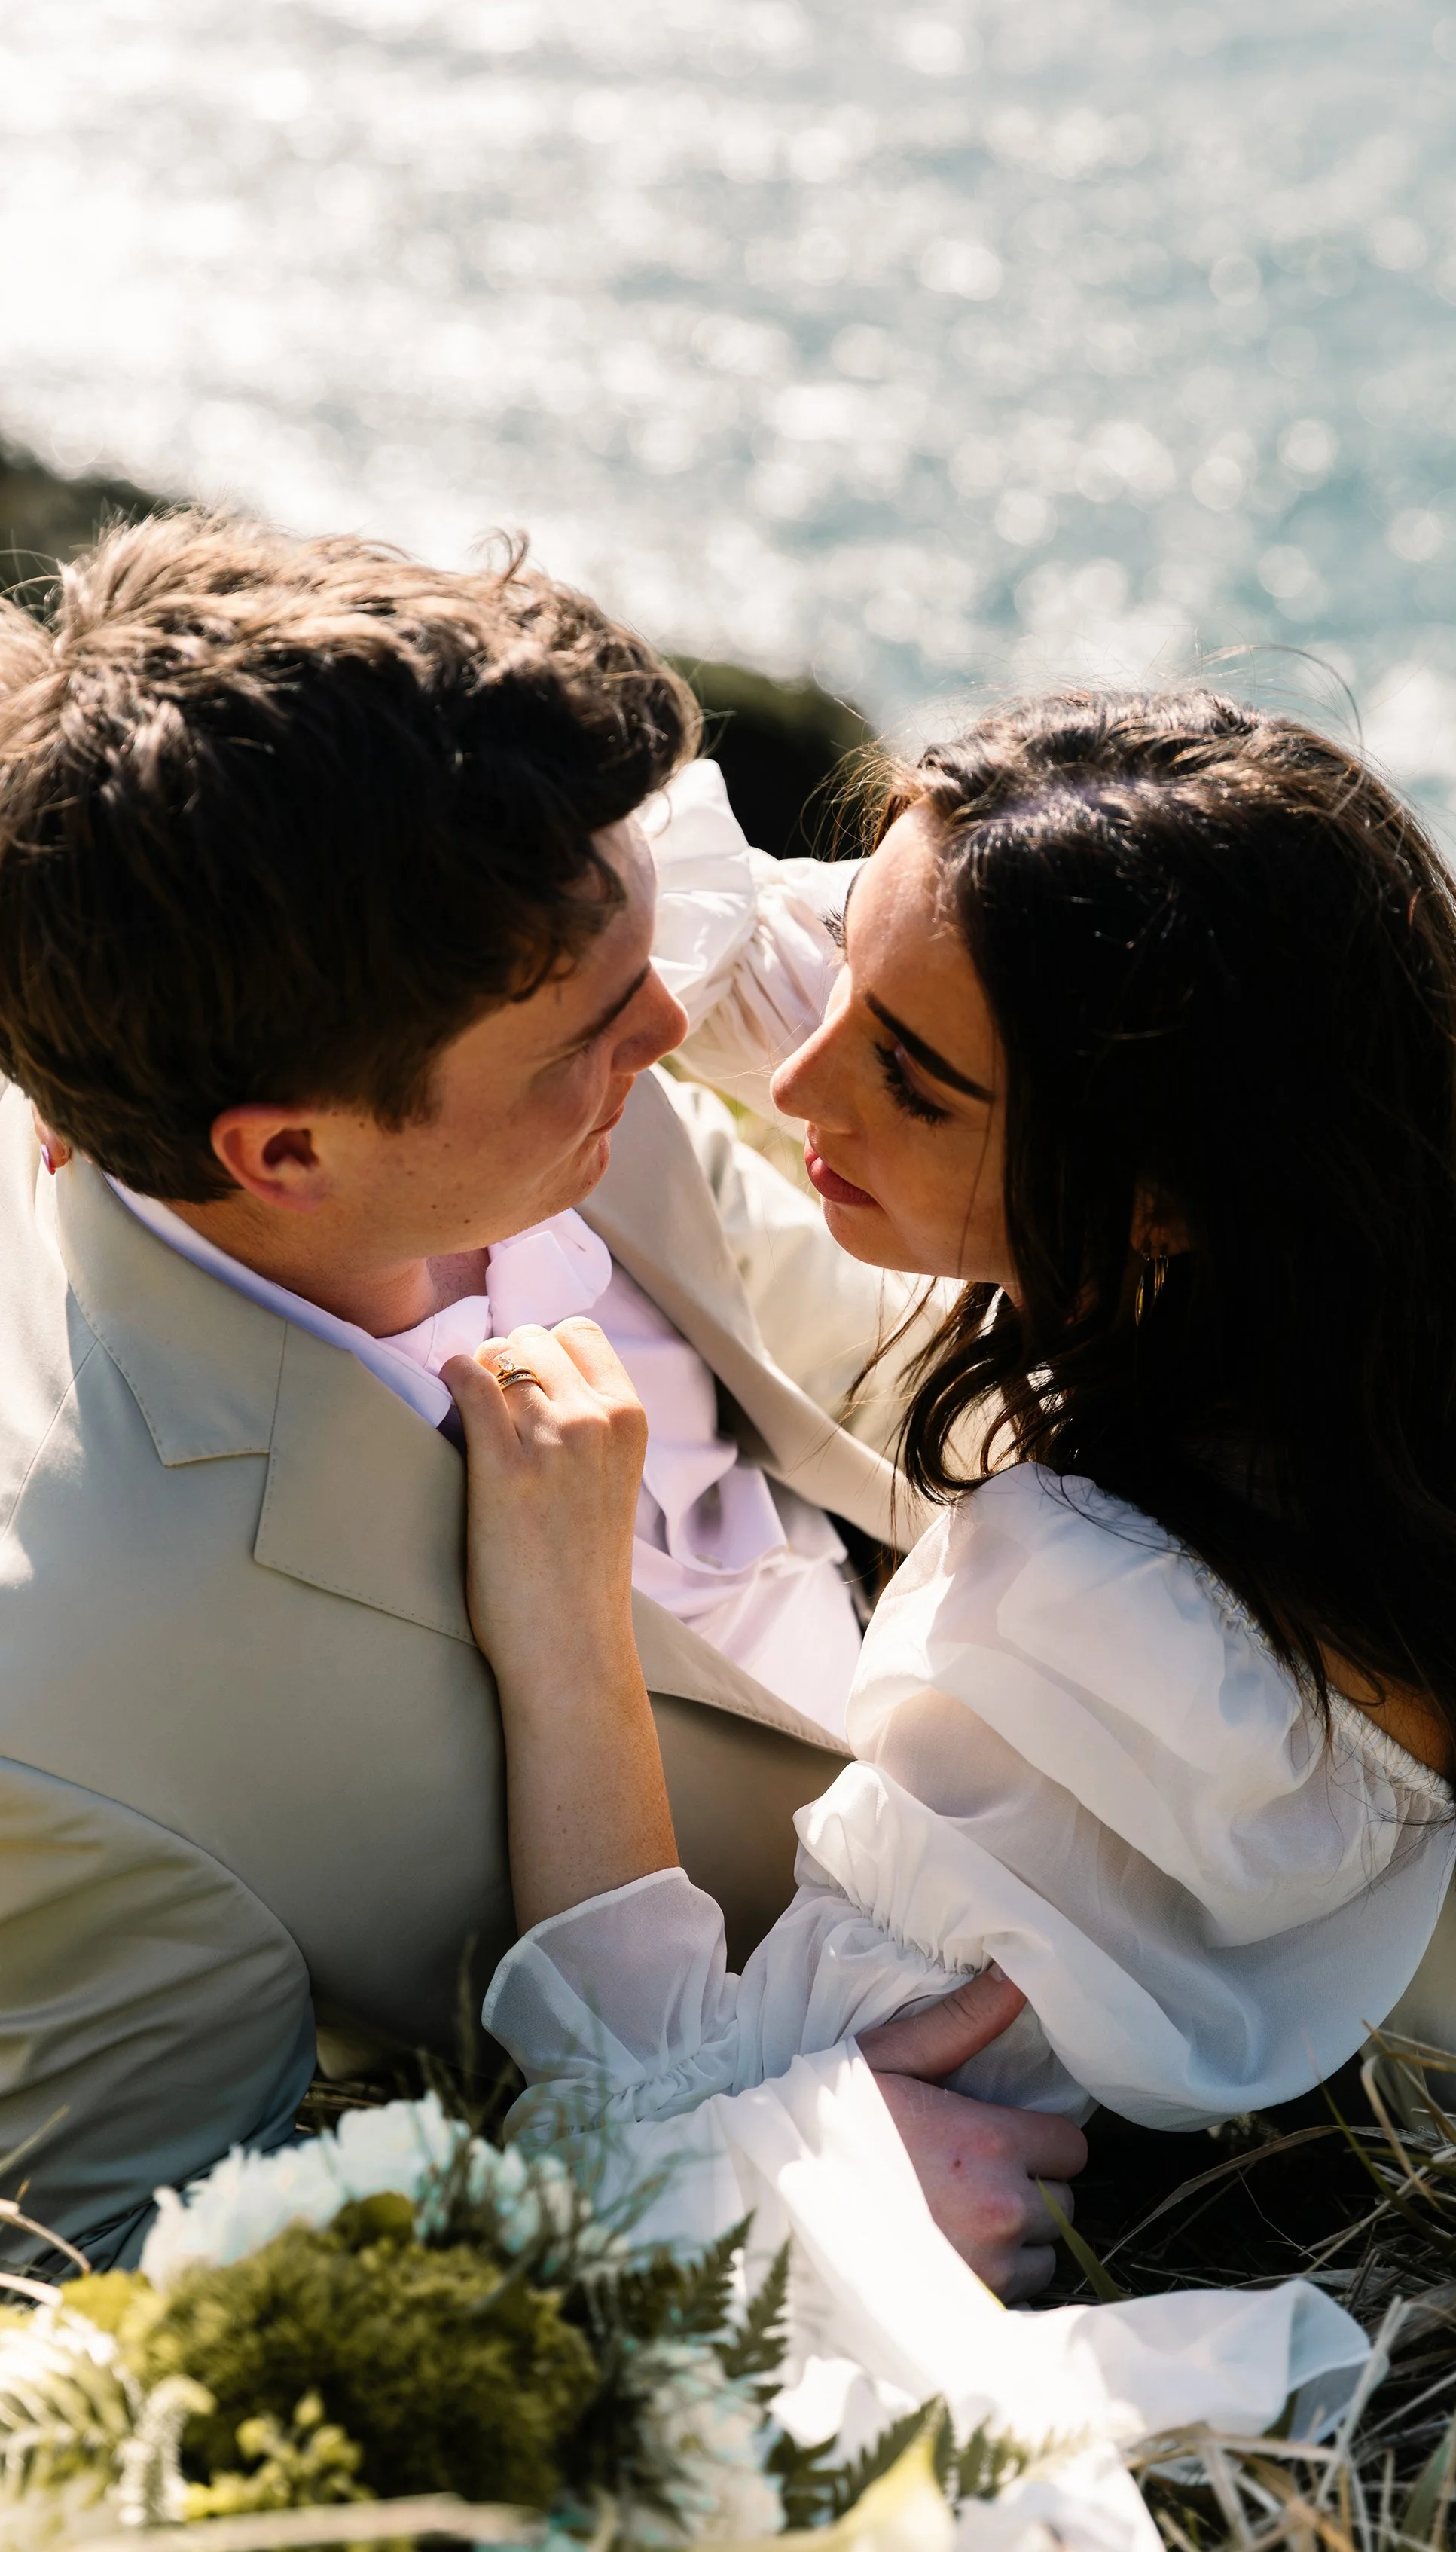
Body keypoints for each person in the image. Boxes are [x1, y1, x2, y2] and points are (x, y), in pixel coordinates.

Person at [459, 686, 1456, 2177]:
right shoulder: (1367, 1236)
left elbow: (651, 2095)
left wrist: (562, 1622)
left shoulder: (1118, 1638)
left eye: (904, 1077)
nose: (803, 1077)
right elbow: (857, 968)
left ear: (1156, 1196)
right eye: (847, 976)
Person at [0, 513, 1079, 2284]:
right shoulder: (75, 1713)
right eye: (589, 1028)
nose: (673, 1029)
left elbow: (897, 1364)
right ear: (285, 1151)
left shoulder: (508, 1008)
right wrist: (746, 2186)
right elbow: (106, 2273)